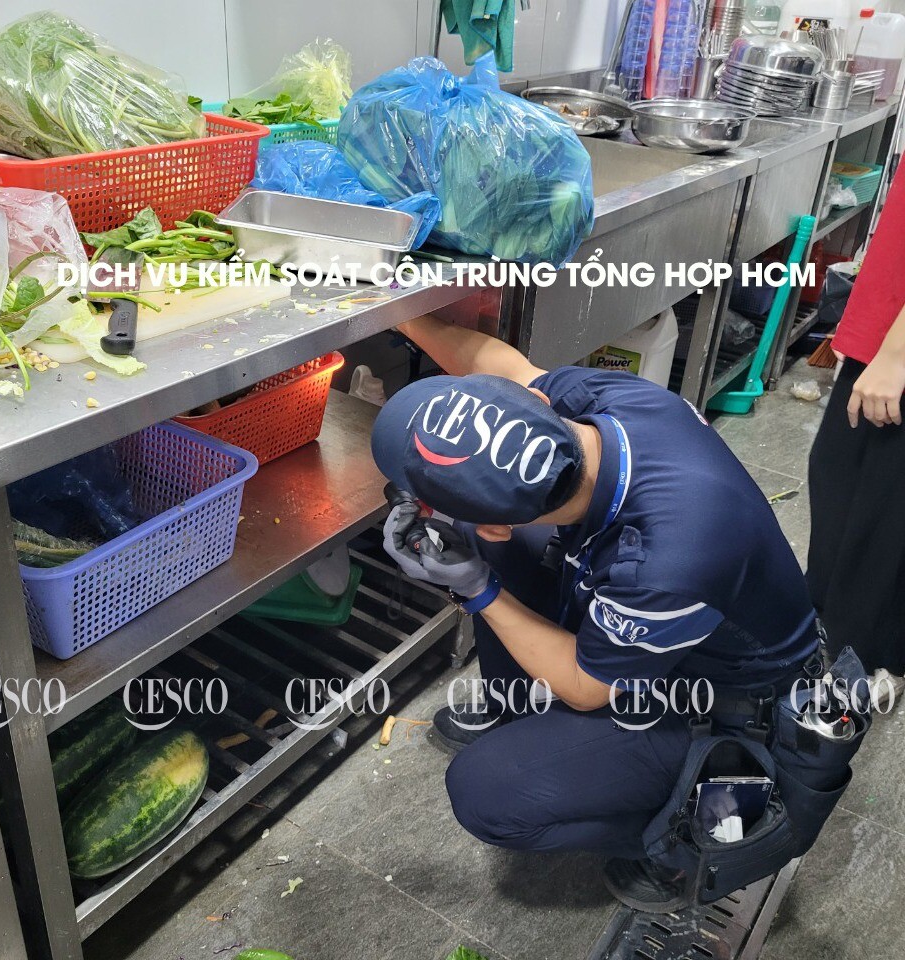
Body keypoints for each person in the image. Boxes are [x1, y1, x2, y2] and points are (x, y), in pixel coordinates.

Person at [371, 314, 824, 913]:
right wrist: (399, 313)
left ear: (500, 519)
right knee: (491, 552)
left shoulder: (669, 561)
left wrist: (477, 590)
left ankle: (682, 837)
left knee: (485, 793)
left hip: (725, 700)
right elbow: (502, 366)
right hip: (668, 624)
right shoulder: (613, 404)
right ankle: (521, 713)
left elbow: (587, 687)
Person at [807, 162, 905, 706]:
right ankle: (830, 635)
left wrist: (897, 354)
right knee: (840, 478)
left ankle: (862, 659)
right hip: (887, 322)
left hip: (897, 347)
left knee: (880, 513)